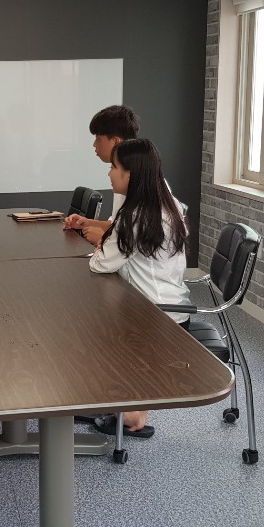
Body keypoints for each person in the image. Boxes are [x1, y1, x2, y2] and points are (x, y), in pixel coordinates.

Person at [88, 138, 192, 439]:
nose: (109, 174)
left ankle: (132, 413)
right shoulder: (166, 202)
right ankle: (119, 402)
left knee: (86, 326)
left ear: (130, 173)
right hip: (167, 307)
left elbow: (100, 264)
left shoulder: (135, 214)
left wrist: (103, 247)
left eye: (114, 168)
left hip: (156, 317)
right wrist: (107, 246)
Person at [63, 105, 140, 244]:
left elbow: (138, 241)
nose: (94, 144)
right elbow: (118, 225)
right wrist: (85, 223)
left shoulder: (142, 184)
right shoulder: (124, 178)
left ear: (115, 141)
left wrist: (104, 238)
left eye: (98, 138)